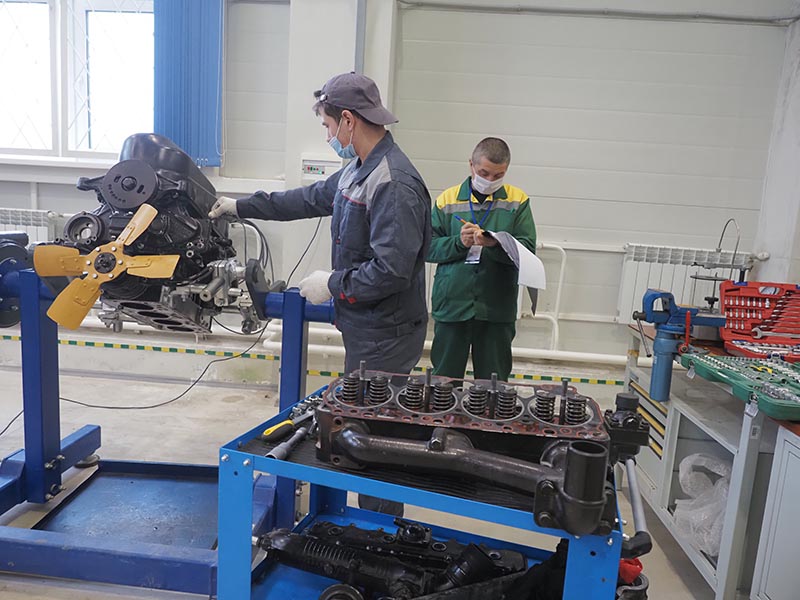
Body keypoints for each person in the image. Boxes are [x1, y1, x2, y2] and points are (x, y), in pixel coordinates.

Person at [209, 72, 431, 516]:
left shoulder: (392, 183)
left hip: (386, 334)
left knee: (373, 442)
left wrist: (331, 284)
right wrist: (242, 206)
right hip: (366, 324)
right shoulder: (358, 168)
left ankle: (379, 534)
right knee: (361, 431)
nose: (329, 136)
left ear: (348, 120)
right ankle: (368, 525)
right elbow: (308, 199)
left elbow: (392, 271)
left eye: (328, 126)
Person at [427, 137, 536, 382]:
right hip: (453, 304)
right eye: (484, 173)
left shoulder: (517, 202)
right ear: (471, 165)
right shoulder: (447, 200)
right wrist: (459, 242)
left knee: (493, 387)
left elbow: (527, 251)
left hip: (495, 308)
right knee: (444, 384)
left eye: (498, 175)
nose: (490, 180)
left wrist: (495, 245)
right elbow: (428, 248)